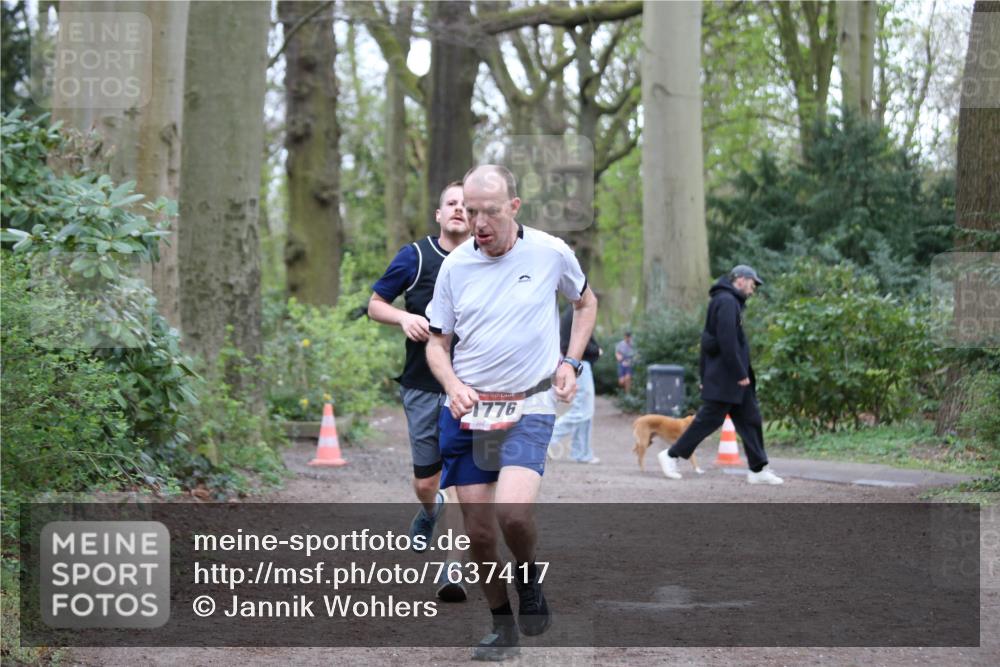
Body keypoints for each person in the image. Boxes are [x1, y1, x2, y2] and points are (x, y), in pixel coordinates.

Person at [425, 165, 597, 661]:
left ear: (514, 208)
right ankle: (503, 628)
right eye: (471, 211)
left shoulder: (550, 252)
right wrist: (452, 384)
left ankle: (527, 579)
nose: (478, 222)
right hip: (469, 409)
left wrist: (571, 360)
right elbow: (438, 344)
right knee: (479, 533)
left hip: (530, 404)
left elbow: (585, 304)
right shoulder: (456, 266)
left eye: (491, 212)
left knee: (514, 514)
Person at [368, 181, 472, 602]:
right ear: (439, 214)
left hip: (471, 388)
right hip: (422, 385)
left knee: (464, 481)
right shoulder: (416, 255)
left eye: (467, 205)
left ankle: (452, 571)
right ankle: (429, 512)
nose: (459, 210)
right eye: (451, 204)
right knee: (429, 485)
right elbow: (375, 303)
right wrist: (401, 317)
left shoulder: (486, 260)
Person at [657, 265, 784, 485]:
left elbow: (708, 342)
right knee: (709, 419)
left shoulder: (727, 301)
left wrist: (704, 376)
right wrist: (739, 372)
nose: (753, 290)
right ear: (741, 280)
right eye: (752, 284)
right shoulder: (726, 302)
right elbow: (727, 341)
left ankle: (758, 469)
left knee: (750, 419)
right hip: (729, 377)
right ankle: (671, 455)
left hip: (728, 377)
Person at [548, 304, 601, 463]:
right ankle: (549, 437)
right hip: (579, 364)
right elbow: (574, 342)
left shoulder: (572, 312)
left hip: (578, 364)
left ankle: (581, 452)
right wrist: (596, 351)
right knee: (583, 410)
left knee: (585, 411)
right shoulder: (577, 313)